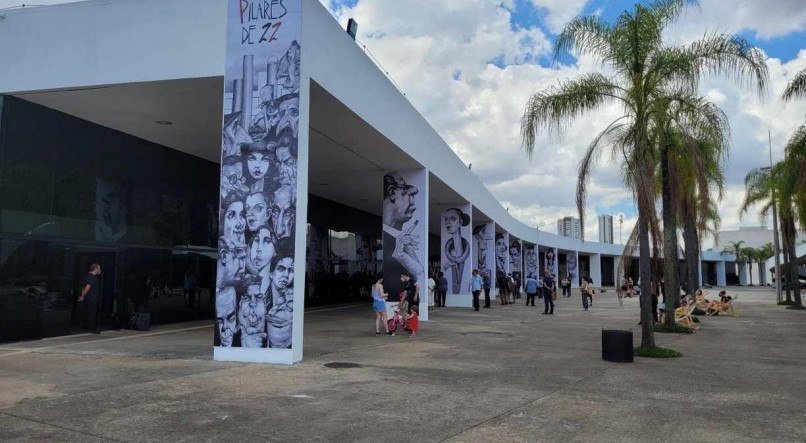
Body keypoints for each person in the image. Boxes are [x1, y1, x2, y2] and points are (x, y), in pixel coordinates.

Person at [78, 263, 102, 334]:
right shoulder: (92, 278)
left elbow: (83, 287)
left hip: (87, 298)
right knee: (93, 314)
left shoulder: (87, 277)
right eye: (99, 269)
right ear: (96, 269)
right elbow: (88, 287)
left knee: (86, 312)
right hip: (92, 299)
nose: (100, 270)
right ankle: (93, 328)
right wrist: (82, 296)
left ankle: (84, 327)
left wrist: (82, 296)